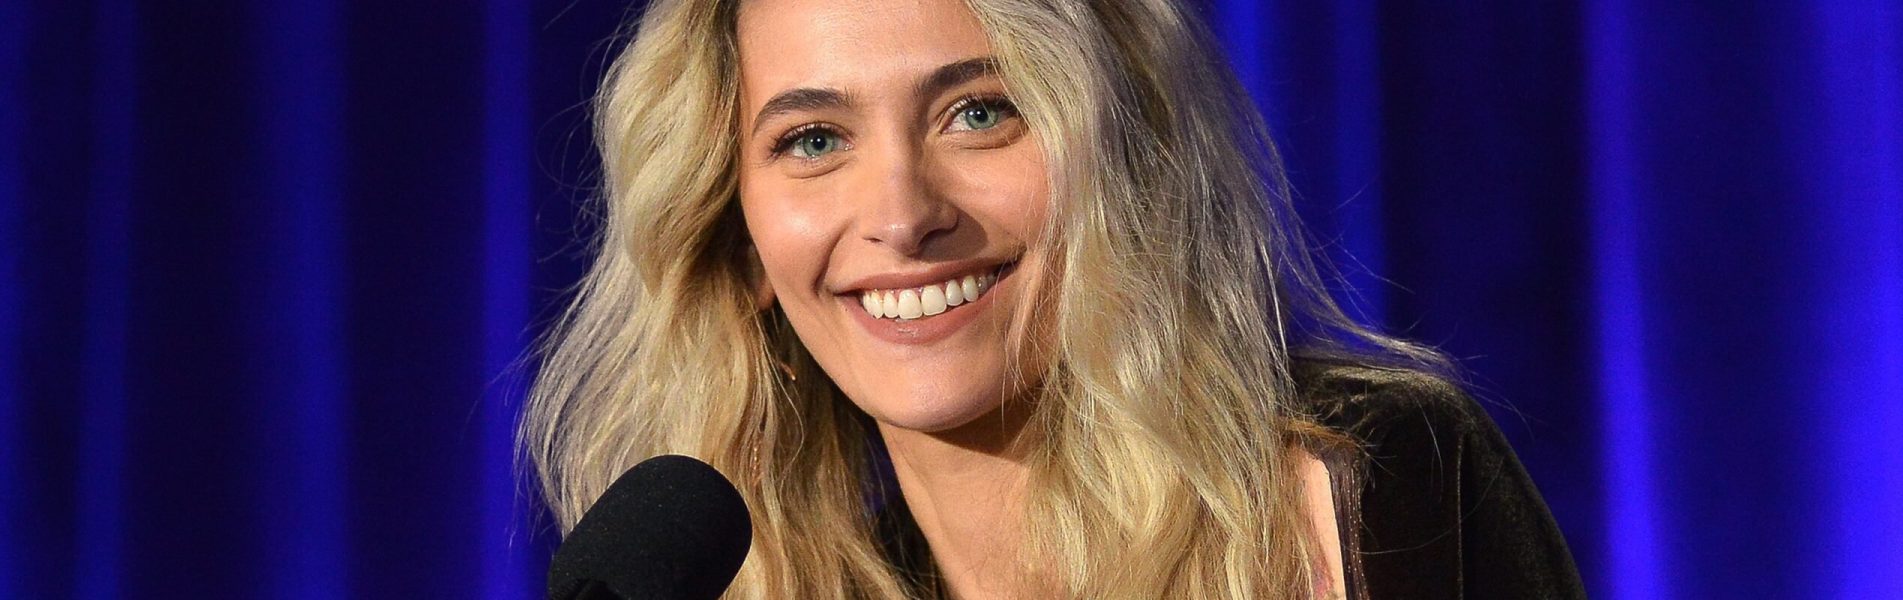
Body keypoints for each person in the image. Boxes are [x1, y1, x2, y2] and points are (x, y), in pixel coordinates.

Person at [520, 0, 1585, 598]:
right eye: (812, 140)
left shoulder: (1371, 488)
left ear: (1123, 156)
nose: (902, 213)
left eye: (981, 113)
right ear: (738, 238)